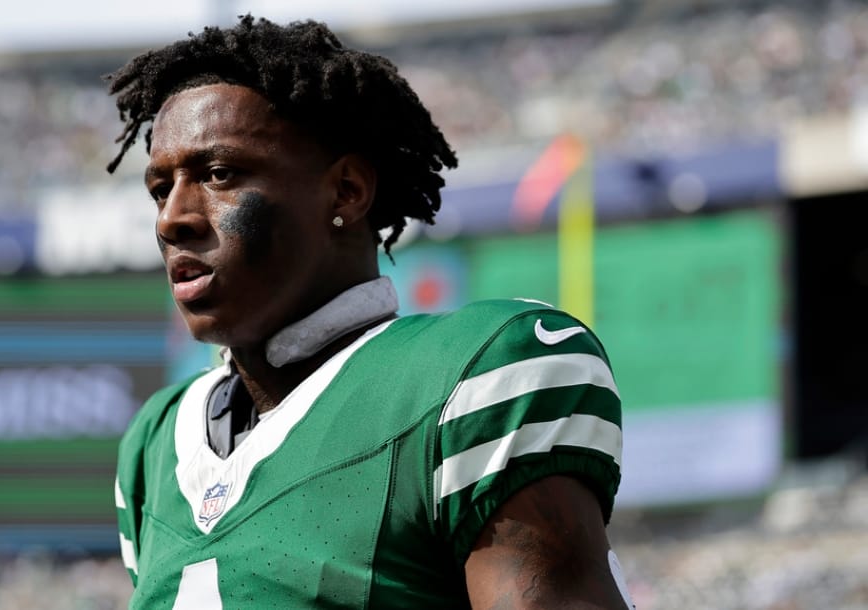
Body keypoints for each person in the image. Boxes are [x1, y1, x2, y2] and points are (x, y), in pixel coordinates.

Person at [107, 15, 633, 609]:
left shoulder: (473, 375)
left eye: (220, 174)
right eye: (160, 188)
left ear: (347, 191)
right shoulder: (154, 446)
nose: (172, 218)